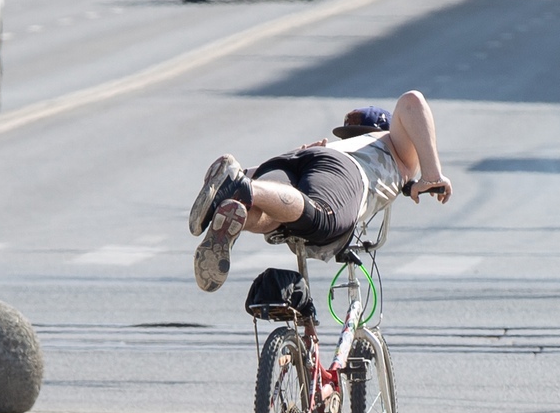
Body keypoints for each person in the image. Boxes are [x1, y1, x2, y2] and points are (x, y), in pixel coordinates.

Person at [189, 90, 453, 292]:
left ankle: (237, 202)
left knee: (280, 218)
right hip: (342, 171)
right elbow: (412, 101)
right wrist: (431, 174)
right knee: (323, 217)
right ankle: (243, 189)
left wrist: (242, 175)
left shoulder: (335, 146)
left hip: (296, 159)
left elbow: (246, 173)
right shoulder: (394, 147)